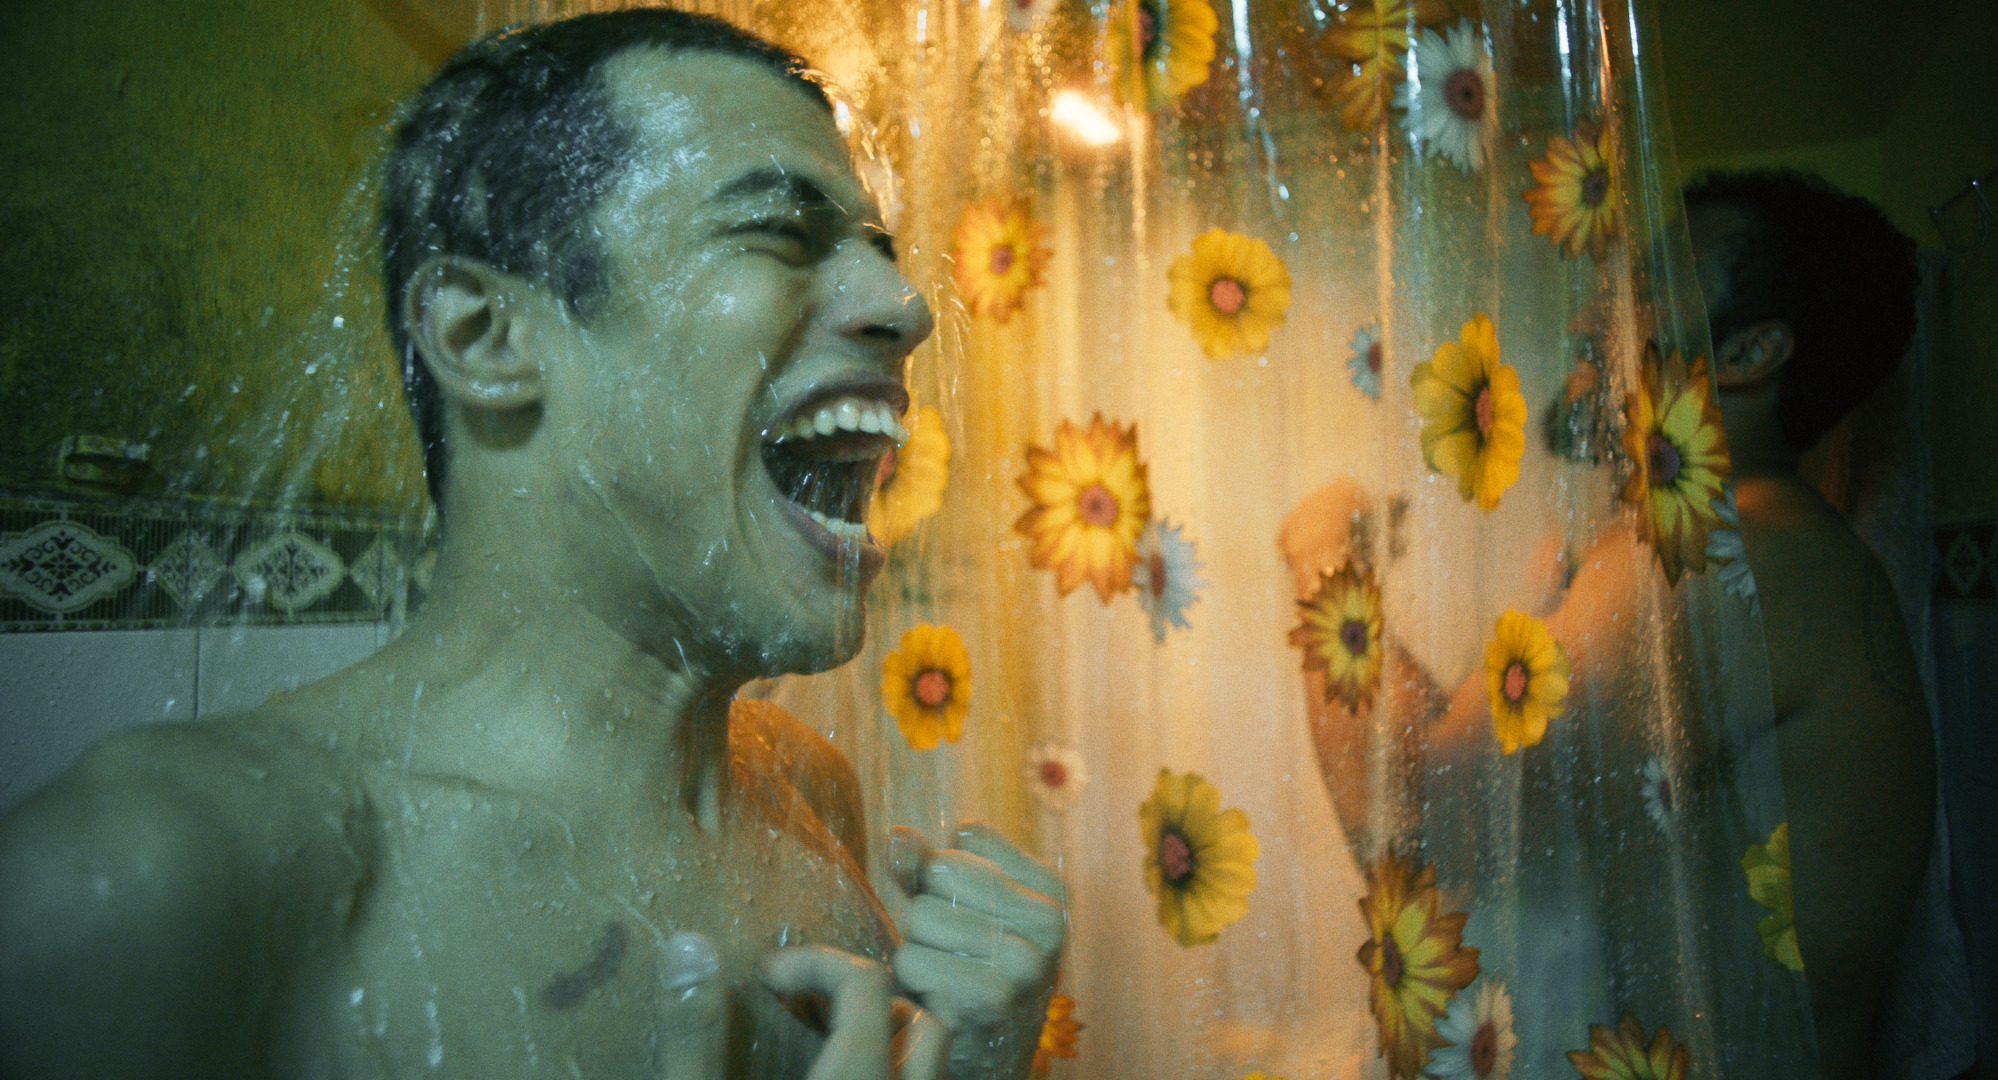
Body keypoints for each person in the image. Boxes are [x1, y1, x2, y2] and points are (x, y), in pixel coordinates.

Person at [0, 11, 1064, 1080]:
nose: (909, 305)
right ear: (484, 338)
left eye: (879, 253)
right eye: (779, 235)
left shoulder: (808, 791)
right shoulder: (152, 879)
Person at [1279, 170, 1934, 1079]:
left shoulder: (1707, 557)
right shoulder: (1760, 552)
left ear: (1748, 353)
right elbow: (1480, 789)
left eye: (1646, 286)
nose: (1594, 311)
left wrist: (1322, 561)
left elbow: (1410, 817)